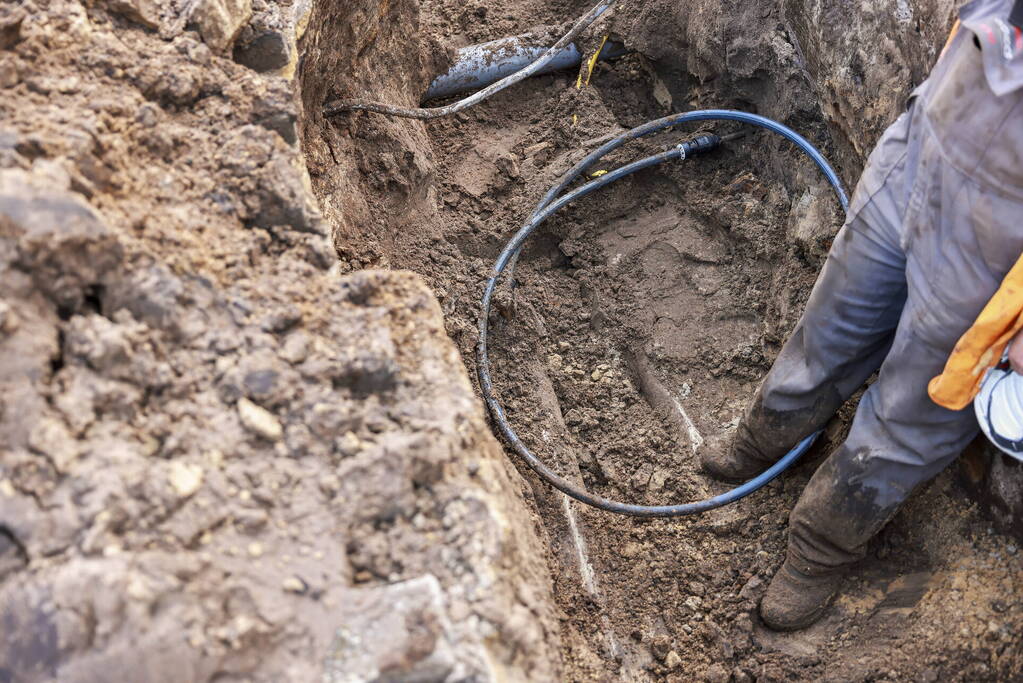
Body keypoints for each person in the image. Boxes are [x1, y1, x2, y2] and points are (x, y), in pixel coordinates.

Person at [699, 0, 1023, 631]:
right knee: (839, 314)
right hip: (934, 132)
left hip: (1005, 245)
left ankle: (821, 545)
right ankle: (770, 436)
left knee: (916, 405)